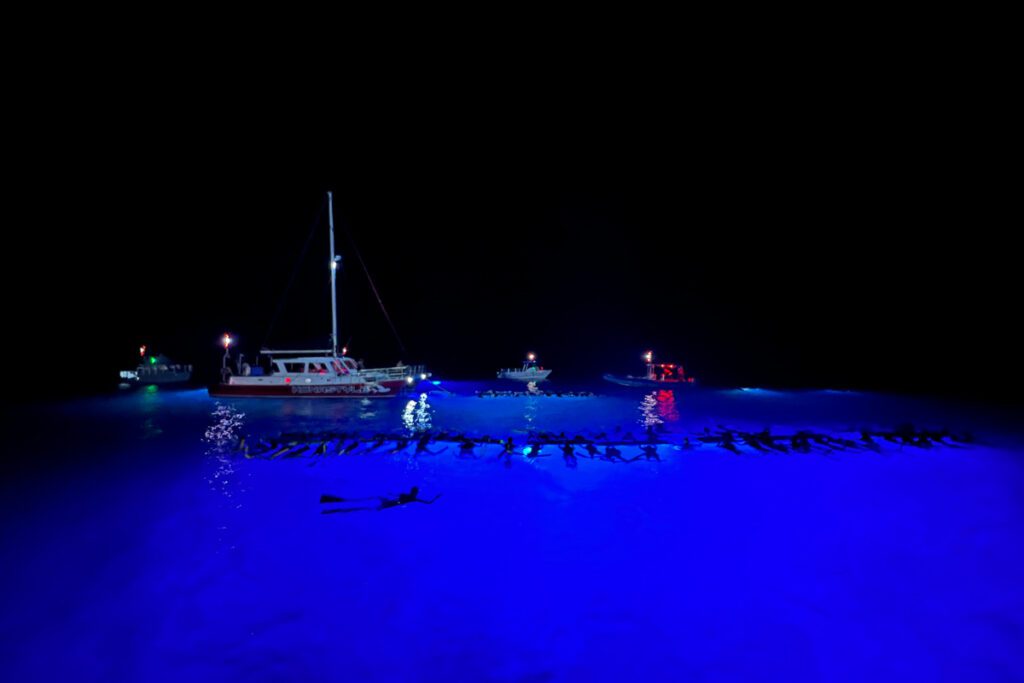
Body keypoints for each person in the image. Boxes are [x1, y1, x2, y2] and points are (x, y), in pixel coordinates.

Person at [320, 486, 442, 513]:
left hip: (388, 503)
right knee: (360, 506)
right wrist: (436, 498)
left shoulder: (409, 496)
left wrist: (385, 499)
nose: (414, 493)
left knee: (358, 504)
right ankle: (330, 507)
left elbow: (395, 497)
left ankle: (330, 504)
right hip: (388, 504)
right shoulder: (413, 498)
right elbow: (429, 502)